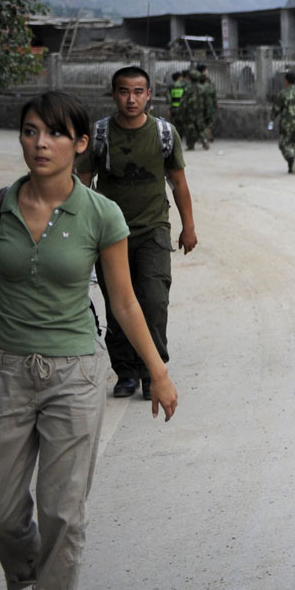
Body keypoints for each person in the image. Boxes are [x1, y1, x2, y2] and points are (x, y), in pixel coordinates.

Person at [0, 91, 178, 590]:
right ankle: (36, 566)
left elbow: (124, 302)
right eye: (31, 131)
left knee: (63, 511)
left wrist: (157, 371)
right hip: (4, 371)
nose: (40, 143)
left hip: (74, 375)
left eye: (56, 133)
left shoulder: (101, 214)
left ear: (81, 144)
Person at [76, 66, 197, 401]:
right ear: (114, 94)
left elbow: (179, 183)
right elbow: (81, 185)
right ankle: (126, 371)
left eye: (138, 92)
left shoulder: (164, 133)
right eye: (124, 91)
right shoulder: (99, 134)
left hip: (152, 230)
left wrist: (188, 226)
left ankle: (151, 371)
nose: (131, 99)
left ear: (149, 95)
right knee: (117, 304)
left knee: (154, 301)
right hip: (109, 234)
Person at [270, 72, 295, 174]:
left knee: (283, 144)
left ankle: (291, 158)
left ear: (286, 81)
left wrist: (271, 120)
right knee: (294, 144)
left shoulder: (282, 94)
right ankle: (292, 166)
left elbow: (276, 109)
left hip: (286, 123)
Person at [180, 69, 208, 151]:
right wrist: (206, 112)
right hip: (199, 112)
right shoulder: (203, 89)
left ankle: (191, 145)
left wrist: (182, 112)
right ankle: (205, 141)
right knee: (201, 128)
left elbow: (183, 102)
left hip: (190, 112)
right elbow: (207, 102)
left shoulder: (187, 89)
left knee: (190, 128)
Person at [197, 64, 218, 143]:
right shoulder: (207, 82)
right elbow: (213, 93)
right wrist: (215, 102)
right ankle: (207, 136)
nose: (207, 71)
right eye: (206, 69)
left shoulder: (196, 80)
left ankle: (204, 136)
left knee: (202, 121)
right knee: (208, 121)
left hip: (200, 104)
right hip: (208, 105)